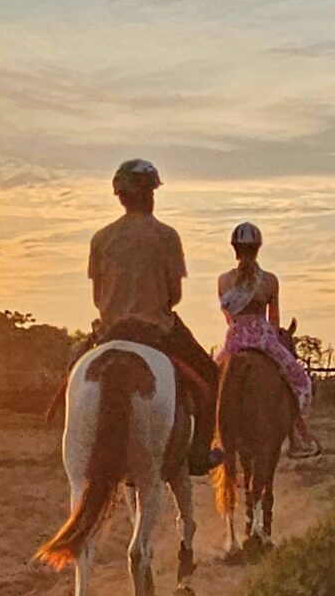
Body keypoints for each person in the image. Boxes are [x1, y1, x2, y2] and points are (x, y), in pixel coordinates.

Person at [88, 159, 221, 473]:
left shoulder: (101, 238)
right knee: (209, 377)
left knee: (74, 369)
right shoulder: (167, 236)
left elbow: (97, 298)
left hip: (111, 331)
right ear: (150, 194)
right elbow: (175, 295)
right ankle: (199, 455)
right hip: (156, 330)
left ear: (120, 196)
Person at [218, 222, 319, 456]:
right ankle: (298, 437)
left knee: (211, 384)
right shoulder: (270, 280)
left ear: (234, 248)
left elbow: (228, 318)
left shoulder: (223, 281)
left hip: (234, 339)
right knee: (297, 380)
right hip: (264, 338)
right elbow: (274, 319)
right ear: (258, 248)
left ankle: (208, 438)